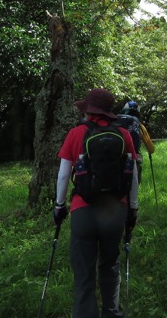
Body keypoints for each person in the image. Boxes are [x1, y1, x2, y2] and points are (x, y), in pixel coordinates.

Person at [53, 88, 139, 318]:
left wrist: (59, 206)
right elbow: (132, 176)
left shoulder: (76, 133)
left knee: (84, 272)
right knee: (110, 266)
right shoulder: (124, 133)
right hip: (115, 211)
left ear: (88, 111)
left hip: (83, 211)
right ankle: (112, 313)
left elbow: (63, 175)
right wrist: (133, 208)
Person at [115, 100, 155, 183]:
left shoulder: (113, 122)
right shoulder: (139, 125)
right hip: (132, 163)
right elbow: (151, 149)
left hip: (113, 161)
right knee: (132, 191)